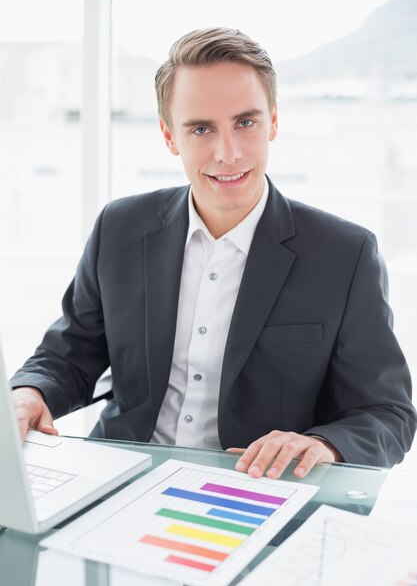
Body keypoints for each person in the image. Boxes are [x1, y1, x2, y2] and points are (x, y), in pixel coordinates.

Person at [11, 27, 416, 480]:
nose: (229, 153)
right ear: (169, 137)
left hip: (250, 493)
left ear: (274, 122)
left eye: (246, 122)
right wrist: (30, 392)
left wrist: (322, 444)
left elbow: (388, 414)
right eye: (201, 129)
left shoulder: (345, 255)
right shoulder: (119, 227)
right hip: (119, 478)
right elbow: (70, 353)